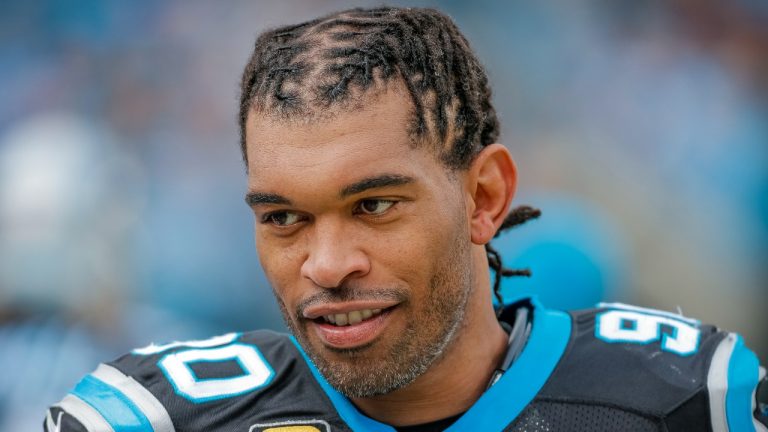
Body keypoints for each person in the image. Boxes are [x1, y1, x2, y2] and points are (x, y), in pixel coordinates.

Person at [45, 7, 767, 432]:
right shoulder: (155, 419)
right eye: (285, 218)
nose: (326, 265)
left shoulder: (685, 399)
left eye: (375, 206)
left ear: (484, 198)